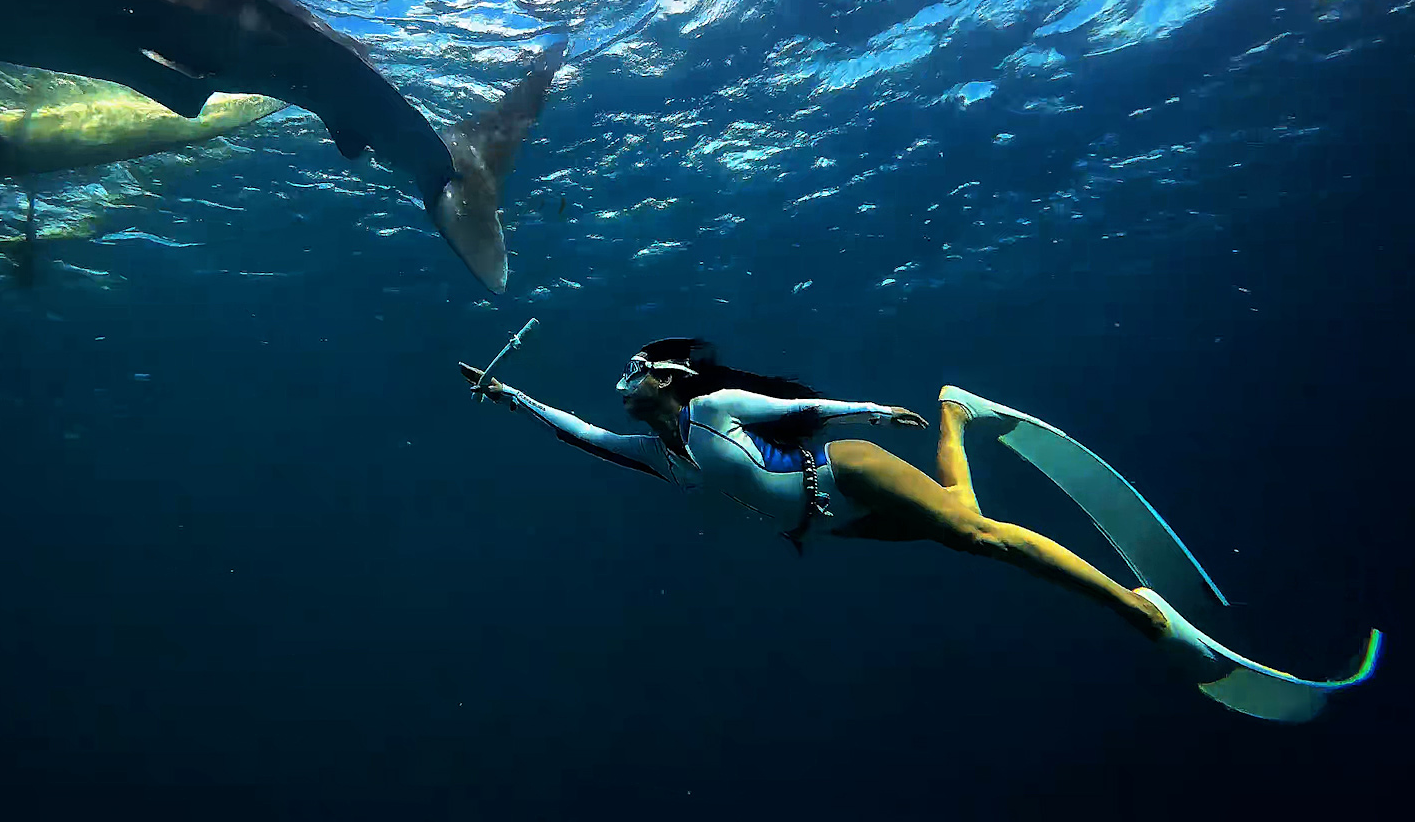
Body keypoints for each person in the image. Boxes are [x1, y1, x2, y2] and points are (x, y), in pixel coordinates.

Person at [458, 337, 1206, 669]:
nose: (620, 378)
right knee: (962, 526)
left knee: (981, 537)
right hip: (833, 523)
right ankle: (956, 411)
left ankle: (1142, 613)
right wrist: (510, 396)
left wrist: (875, 414)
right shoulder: (656, 457)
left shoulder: (713, 407)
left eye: (634, 369)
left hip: (847, 473)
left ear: (666, 377)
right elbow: (581, 434)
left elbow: (800, 407)